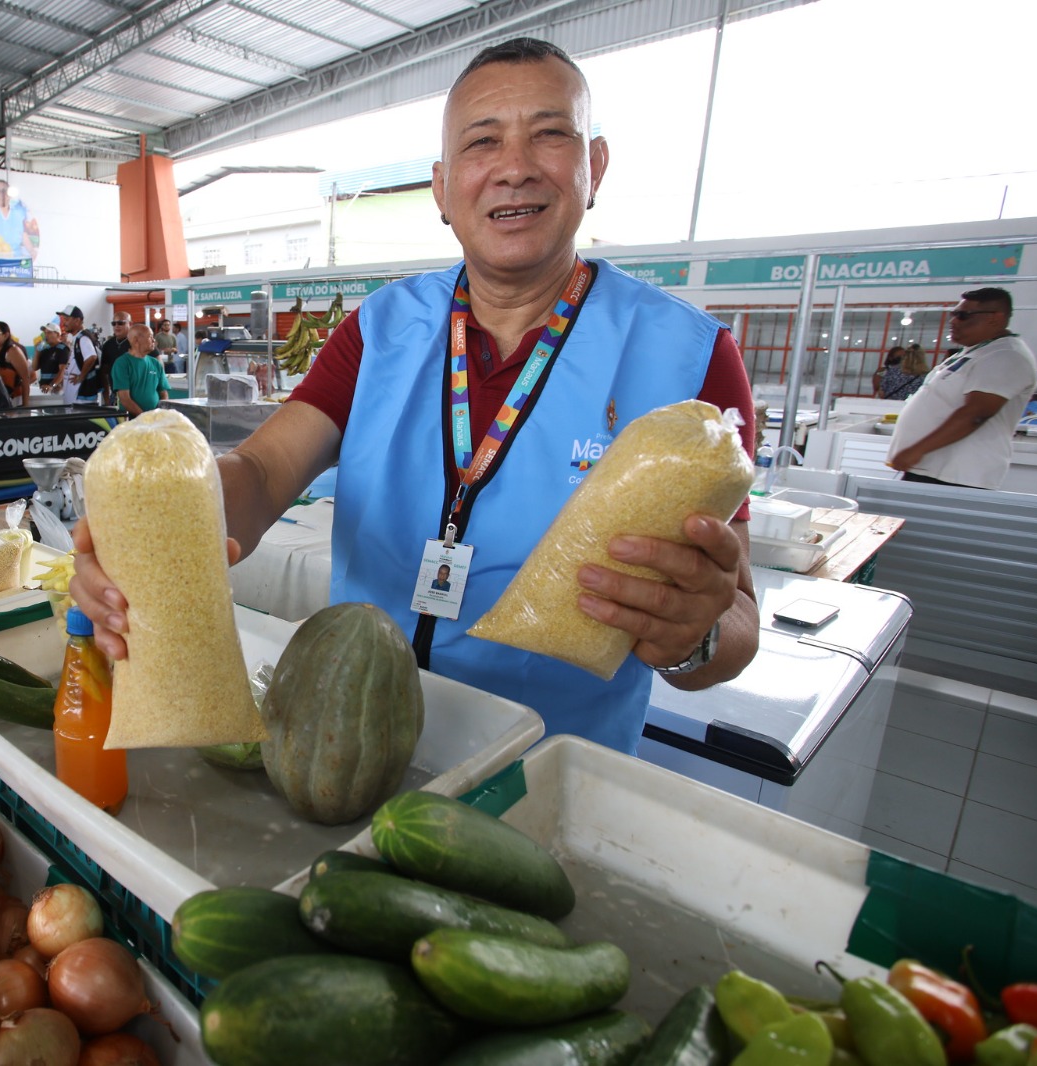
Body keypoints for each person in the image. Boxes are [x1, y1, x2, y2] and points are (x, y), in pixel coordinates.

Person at [70, 38, 760, 755]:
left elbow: (737, 620)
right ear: (441, 187)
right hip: (348, 747)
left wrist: (695, 637)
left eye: (550, 135)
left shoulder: (691, 359)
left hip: (553, 771)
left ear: (596, 167)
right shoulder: (381, 330)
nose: (515, 167)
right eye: (482, 143)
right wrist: (156, 524)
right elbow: (267, 472)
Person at [887, 287, 1037, 489]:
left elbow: (975, 413)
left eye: (963, 315)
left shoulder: (1007, 356)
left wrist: (917, 450)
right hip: (933, 469)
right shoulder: (975, 351)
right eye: (953, 315)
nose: (953, 321)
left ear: (995, 317)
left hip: (956, 475)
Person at [110, 323, 169, 415]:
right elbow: (125, 399)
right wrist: (144, 418)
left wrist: (160, 414)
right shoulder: (122, 363)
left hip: (155, 420)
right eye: (150, 337)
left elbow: (163, 393)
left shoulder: (155, 363)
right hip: (132, 421)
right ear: (136, 340)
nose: (154, 340)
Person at [58, 306, 102, 406]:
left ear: (77, 320)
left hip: (82, 398)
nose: (64, 323)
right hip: (77, 397)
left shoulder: (83, 338)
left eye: (67, 319)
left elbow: (92, 357)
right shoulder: (78, 337)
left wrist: (81, 377)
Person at [0, 321, 33, 407]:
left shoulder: (13, 351)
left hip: (13, 399)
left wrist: (25, 405)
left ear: (6, 335)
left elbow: (26, 378)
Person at [99, 314, 131, 406]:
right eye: (114, 323)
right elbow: (103, 372)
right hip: (115, 394)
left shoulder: (136, 342)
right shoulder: (108, 345)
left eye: (121, 323)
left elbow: (156, 361)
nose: (116, 326)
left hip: (135, 394)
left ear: (130, 323)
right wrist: (106, 396)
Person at [36, 323, 72, 398]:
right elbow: (34, 367)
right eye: (45, 333)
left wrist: (52, 385)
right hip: (44, 390)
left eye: (49, 332)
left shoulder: (63, 349)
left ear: (58, 335)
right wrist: (37, 351)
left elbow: (62, 371)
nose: (46, 335)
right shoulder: (45, 350)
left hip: (57, 391)